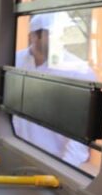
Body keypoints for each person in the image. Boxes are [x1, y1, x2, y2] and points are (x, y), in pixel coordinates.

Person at [12, 12, 97, 167]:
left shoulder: (78, 71)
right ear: (33, 36)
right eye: (52, 33)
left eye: (61, 32)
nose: (59, 38)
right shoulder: (14, 60)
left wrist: (63, 168)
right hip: (15, 154)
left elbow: (83, 128)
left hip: (53, 163)